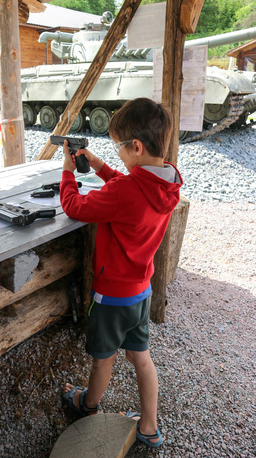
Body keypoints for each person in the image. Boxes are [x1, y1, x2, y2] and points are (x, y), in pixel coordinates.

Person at [59, 98, 183, 448]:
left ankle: (88, 404)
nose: (119, 156)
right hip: (140, 292)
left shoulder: (125, 192)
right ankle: (148, 427)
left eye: (120, 149)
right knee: (141, 358)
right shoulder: (166, 183)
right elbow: (131, 185)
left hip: (111, 296)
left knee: (103, 360)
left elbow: (74, 206)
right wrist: (98, 164)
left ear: (137, 146)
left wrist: (67, 172)